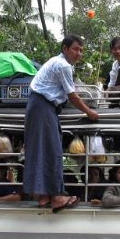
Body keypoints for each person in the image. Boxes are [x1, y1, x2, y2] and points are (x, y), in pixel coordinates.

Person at [23, 35, 99, 212]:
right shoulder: (63, 65)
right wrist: (89, 112)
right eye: (75, 49)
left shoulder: (55, 62)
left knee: (42, 149)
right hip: (43, 106)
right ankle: (57, 196)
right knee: (53, 150)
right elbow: (72, 95)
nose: (79, 53)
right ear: (65, 48)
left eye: (81, 50)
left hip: (40, 106)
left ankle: (43, 195)